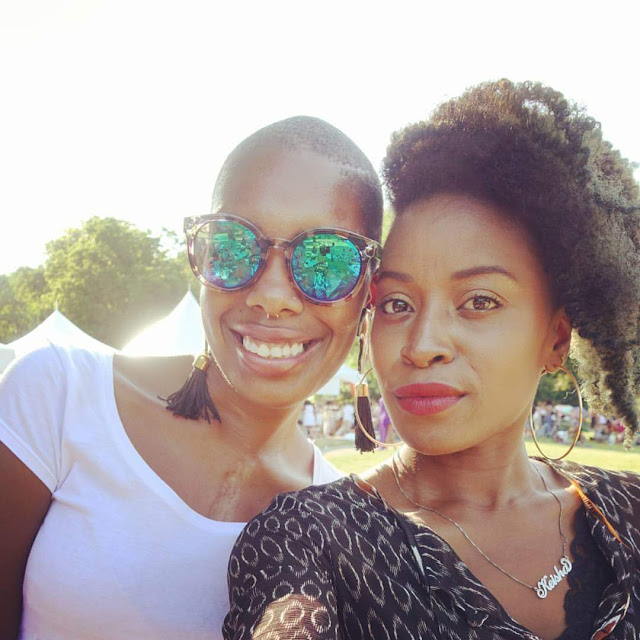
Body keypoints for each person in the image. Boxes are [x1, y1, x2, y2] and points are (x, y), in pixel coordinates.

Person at [223, 81, 640, 639]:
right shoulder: (310, 542)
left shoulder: (628, 509)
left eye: (479, 301)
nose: (421, 345)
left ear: (557, 339)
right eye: (396, 304)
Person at [0, 116, 383, 639]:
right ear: (200, 254)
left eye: (327, 261)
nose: (272, 296)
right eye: (234, 245)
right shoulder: (59, 395)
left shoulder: (343, 522)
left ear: (368, 293)